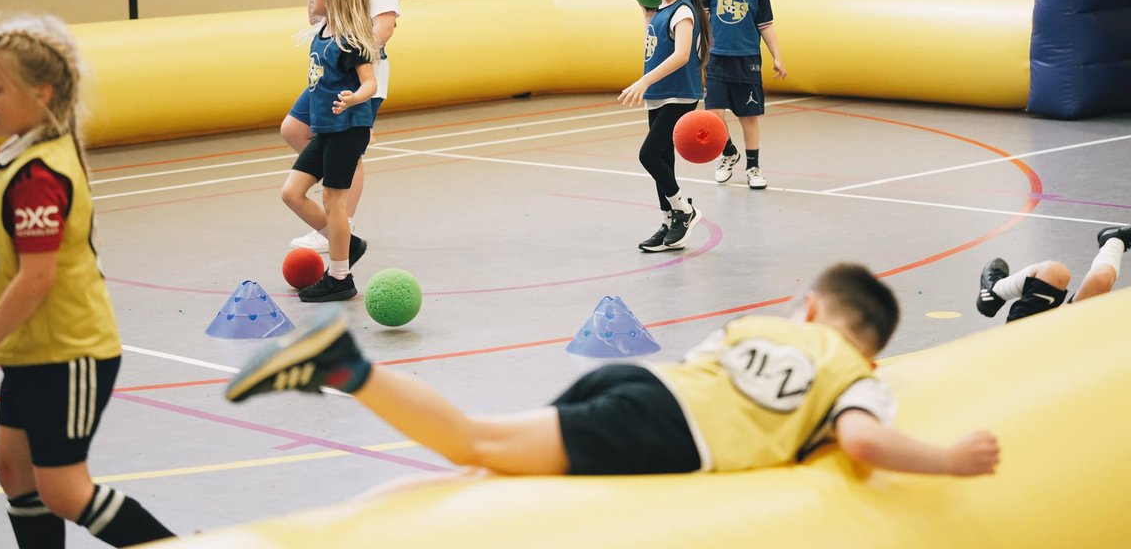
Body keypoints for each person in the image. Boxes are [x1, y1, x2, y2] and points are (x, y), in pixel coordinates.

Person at [225, 262, 999, 478]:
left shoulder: (761, 325)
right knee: (476, 444)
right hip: (667, 429)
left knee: (499, 458)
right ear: (869, 347)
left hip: (649, 385)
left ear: (808, 311)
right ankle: (345, 366)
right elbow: (861, 444)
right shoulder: (857, 376)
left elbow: (715, 372)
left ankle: (346, 368)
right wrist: (951, 461)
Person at [0, 16, 174, 547]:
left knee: (64, 490)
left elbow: (37, 278)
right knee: (13, 471)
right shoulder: (27, 153)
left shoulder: (39, 175)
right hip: (33, 352)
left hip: (68, 353)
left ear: (41, 93)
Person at [285, 0, 400, 260]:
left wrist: (349, 49)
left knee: (349, 149)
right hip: (328, 75)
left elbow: (383, 29)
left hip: (354, 75)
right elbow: (321, 23)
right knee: (293, 128)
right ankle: (333, 212)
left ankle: (341, 220)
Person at [280, 0, 380, 303]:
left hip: (348, 128)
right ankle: (347, 245)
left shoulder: (351, 41)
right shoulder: (321, 32)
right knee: (292, 193)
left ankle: (340, 277)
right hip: (326, 130)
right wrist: (315, 8)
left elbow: (369, 83)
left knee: (333, 199)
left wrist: (355, 98)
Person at [619, 0, 711, 253]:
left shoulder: (683, 11)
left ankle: (684, 211)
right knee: (664, 160)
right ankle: (668, 219)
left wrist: (643, 81)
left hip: (679, 96)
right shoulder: (661, 10)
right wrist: (647, 17)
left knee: (648, 155)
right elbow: (654, 46)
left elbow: (682, 55)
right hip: (659, 96)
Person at [699, 0, 787, 190]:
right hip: (716, 59)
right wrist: (697, 52)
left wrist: (777, 56)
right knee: (713, 114)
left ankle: (752, 166)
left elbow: (766, 25)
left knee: (748, 117)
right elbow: (701, 20)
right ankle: (727, 152)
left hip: (746, 60)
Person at [977, 224, 1131, 321]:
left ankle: (996, 290)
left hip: (1021, 341)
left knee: (1053, 272)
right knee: (1099, 280)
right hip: (1063, 339)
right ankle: (1114, 240)